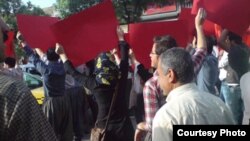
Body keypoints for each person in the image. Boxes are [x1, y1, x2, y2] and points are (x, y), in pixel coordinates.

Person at [133, 7, 207, 141]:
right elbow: (201, 51)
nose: (149, 55)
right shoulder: (187, 69)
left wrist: (140, 126)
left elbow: (154, 125)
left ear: (162, 57)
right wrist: (199, 26)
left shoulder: (151, 85)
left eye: (152, 53)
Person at [56, 27, 134, 141]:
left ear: (98, 68)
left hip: (105, 131)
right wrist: (121, 38)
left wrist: (62, 54)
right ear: (113, 67)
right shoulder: (120, 78)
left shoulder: (95, 84)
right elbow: (124, 60)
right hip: (125, 129)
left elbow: (73, 73)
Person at [153, 47, 235, 141]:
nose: (157, 80)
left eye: (158, 74)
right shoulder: (219, 105)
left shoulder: (166, 116)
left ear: (170, 75)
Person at [0, 23, 57, 141]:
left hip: (52, 102)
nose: (6, 39)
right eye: (5, 36)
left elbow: (35, 57)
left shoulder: (14, 90)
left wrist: (25, 43)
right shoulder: (17, 92)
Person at [16, 32, 73, 141]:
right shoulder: (63, 66)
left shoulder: (45, 69)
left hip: (51, 103)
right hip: (64, 100)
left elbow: (32, 56)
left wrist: (23, 42)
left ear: (47, 57)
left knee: (50, 131)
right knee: (66, 131)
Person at [217, 29, 250, 124]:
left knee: (233, 117)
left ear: (231, 41)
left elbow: (220, 41)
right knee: (242, 115)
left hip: (232, 86)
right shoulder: (245, 48)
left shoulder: (236, 50)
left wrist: (228, 27)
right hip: (242, 85)